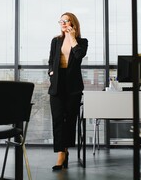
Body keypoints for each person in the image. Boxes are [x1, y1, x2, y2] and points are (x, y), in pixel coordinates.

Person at [48, 12, 88, 170]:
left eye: (66, 21)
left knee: (70, 120)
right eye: (61, 21)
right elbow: (51, 60)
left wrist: (72, 38)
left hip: (73, 86)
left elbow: (79, 56)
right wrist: (51, 72)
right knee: (58, 119)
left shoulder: (82, 41)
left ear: (73, 23)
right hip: (57, 83)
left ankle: (65, 151)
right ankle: (60, 154)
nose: (63, 23)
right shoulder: (55, 41)